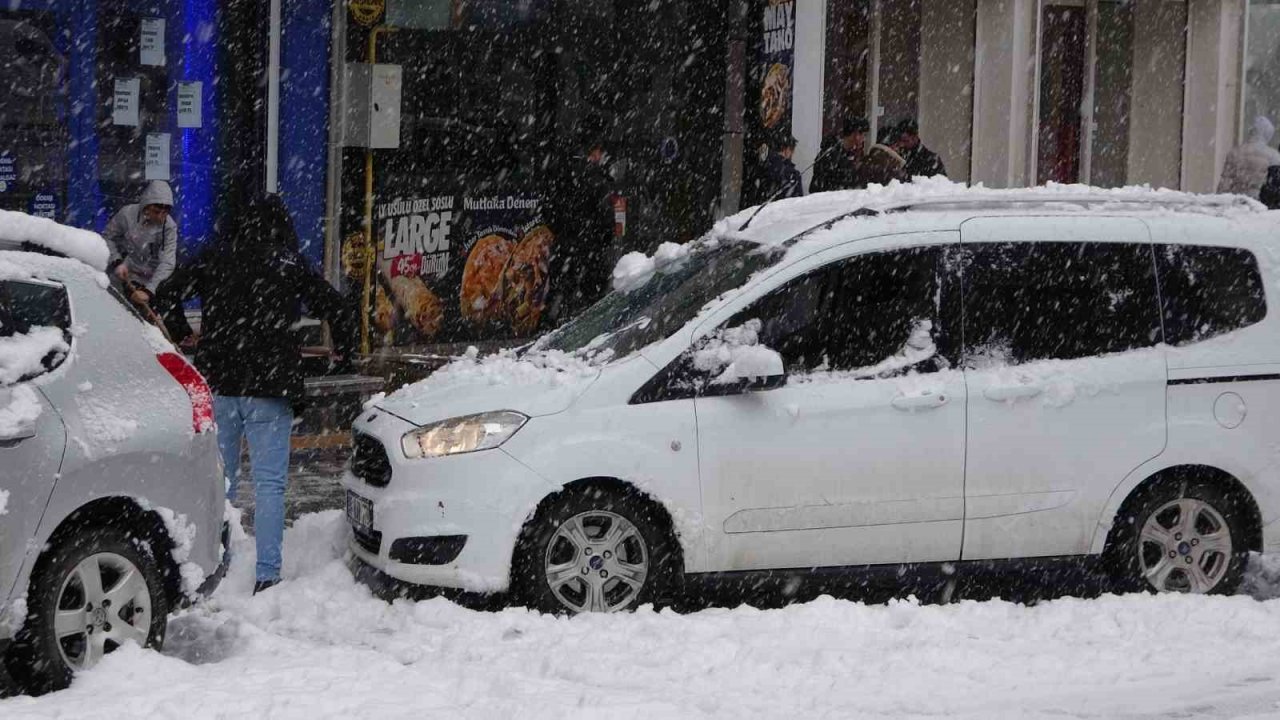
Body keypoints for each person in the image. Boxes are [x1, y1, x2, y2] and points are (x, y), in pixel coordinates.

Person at [154, 194, 356, 595]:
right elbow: (337, 306)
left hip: (220, 383)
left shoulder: (214, 256)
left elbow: (165, 294)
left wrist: (181, 333)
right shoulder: (287, 262)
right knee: (269, 485)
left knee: (219, 483)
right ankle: (267, 575)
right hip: (271, 385)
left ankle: (215, 565)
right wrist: (342, 354)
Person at [546, 123, 616, 325]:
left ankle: (555, 321)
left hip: (565, 243)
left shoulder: (561, 173)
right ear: (594, 152)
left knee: (563, 286)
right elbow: (604, 214)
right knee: (591, 293)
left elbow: (550, 209)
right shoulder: (596, 178)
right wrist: (604, 236)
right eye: (598, 152)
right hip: (589, 244)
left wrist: (561, 231)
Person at [102, 180, 178, 307]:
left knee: (169, 313)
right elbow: (107, 238)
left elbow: (167, 262)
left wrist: (149, 290)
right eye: (156, 211)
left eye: (165, 213)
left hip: (156, 279)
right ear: (146, 206)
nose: (161, 217)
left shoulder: (169, 227)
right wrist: (117, 261)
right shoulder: (126, 215)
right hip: (127, 273)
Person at [1218, 116, 1280, 199]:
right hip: (1258, 202)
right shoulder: (1273, 155)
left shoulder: (1234, 152)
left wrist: (1220, 199)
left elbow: (1225, 182)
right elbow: (1274, 185)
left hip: (1234, 200)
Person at [810, 117, 870, 192]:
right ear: (856, 134)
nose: (864, 139)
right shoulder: (832, 156)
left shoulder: (847, 154)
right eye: (863, 135)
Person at [764, 134, 804, 200]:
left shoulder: (766, 164)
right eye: (792, 149)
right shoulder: (792, 174)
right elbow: (798, 202)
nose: (793, 153)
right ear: (787, 149)